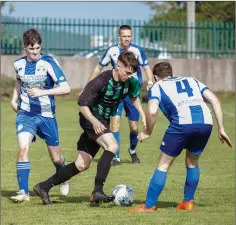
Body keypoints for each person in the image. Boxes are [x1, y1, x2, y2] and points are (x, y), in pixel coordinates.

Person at [33, 51, 147, 205]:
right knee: (112, 145)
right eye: (127, 72)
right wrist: (94, 121)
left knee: (82, 164)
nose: (129, 75)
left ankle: (43, 187)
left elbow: (134, 97)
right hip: (90, 119)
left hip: (103, 121)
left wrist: (143, 114)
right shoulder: (100, 81)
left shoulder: (130, 82)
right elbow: (82, 105)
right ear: (118, 65)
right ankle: (97, 191)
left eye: (132, 73)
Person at [129, 62, 232, 213]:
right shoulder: (192, 80)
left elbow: (151, 112)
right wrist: (221, 127)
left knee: (163, 165)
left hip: (182, 123)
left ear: (156, 77)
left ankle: (149, 206)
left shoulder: (157, 86)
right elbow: (215, 100)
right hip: (205, 122)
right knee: (192, 162)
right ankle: (188, 202)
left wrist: (148, 131)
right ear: (171, 73)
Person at [10, 28, 71, 202]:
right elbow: (18, 81)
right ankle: (23, 192)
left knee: (56, 158)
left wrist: (43, 93)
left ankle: (63, 176)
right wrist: (14, 99)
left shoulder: (49, 62)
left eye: (37, 48)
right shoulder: (18, 64)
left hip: (46, 116)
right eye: (31, 49)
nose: (35, 52)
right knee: (23, 149)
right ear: (24, 47)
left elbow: (66, 88)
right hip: (26, 114)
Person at [83, 25, 153, 166]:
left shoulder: (137, 50)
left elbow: (146, 68)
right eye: (124, 36)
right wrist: (87, 85)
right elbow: (99, 67)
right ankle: (116, 157)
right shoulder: (112, 51)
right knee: (115, 124)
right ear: (119, 37)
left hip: (132, 94)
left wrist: (150, 81)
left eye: (129, 36)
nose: (127, 39)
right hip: (116, 93)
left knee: (134, 127)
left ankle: (132, 151)